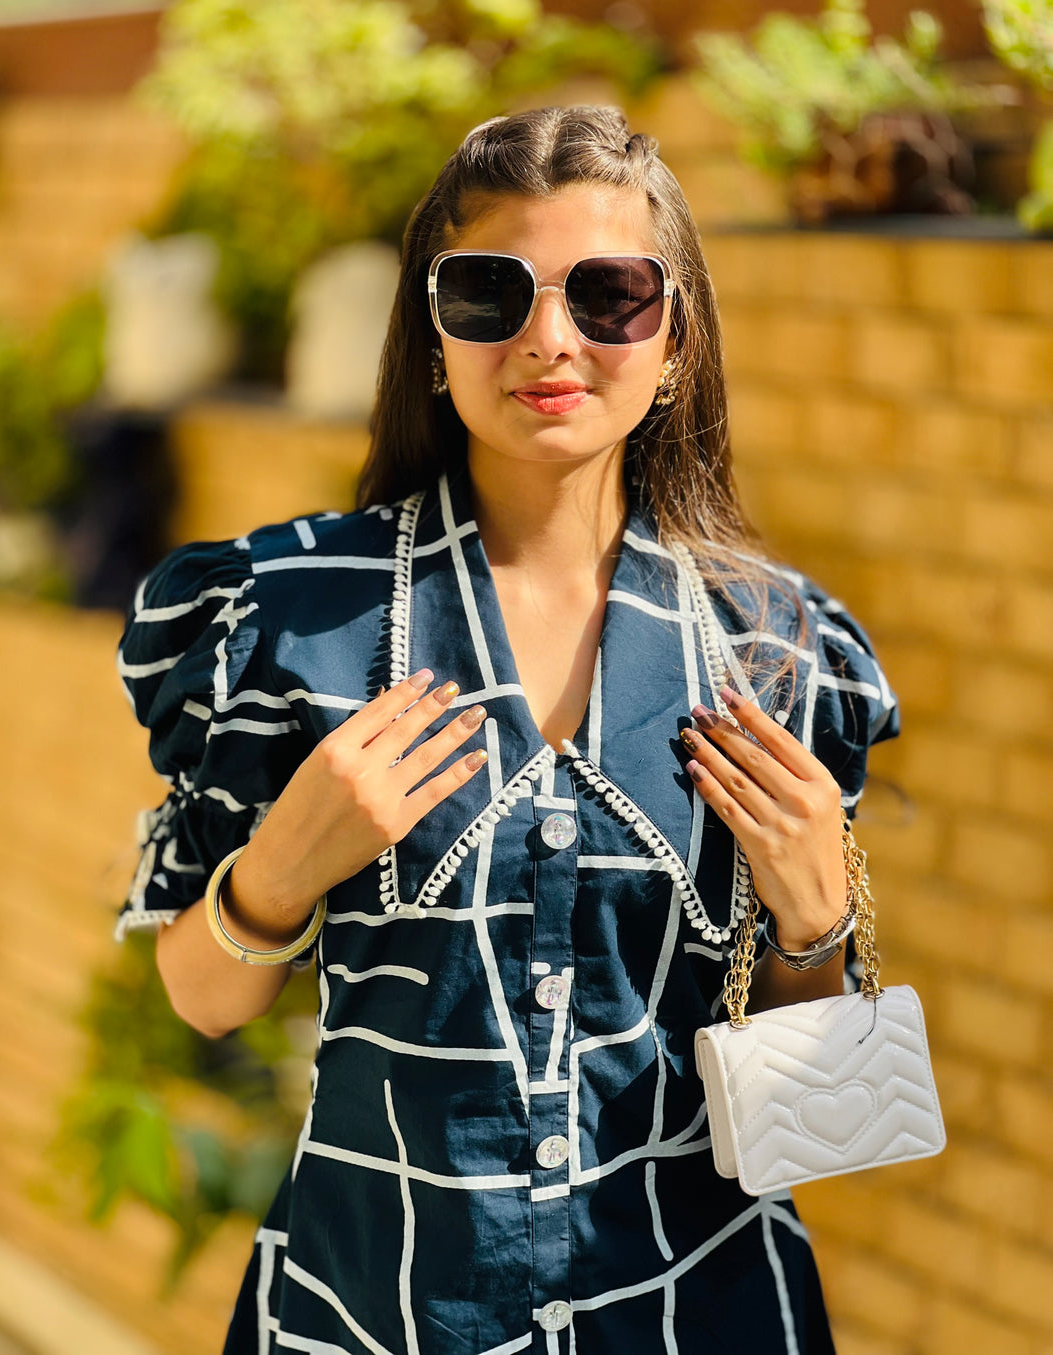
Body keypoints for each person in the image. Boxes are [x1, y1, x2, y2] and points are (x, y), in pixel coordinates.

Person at [115, 105, 898, 1355]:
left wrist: (813, 926)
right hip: (372, 1314)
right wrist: (280, 870)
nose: (548, 339)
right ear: (433, 334)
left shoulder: (779, 647)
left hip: (700, 1313)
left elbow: (824, 1133)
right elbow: (202, 1003)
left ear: (674, 339)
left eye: (607, 295)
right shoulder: (284, 613)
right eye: (488, 292)